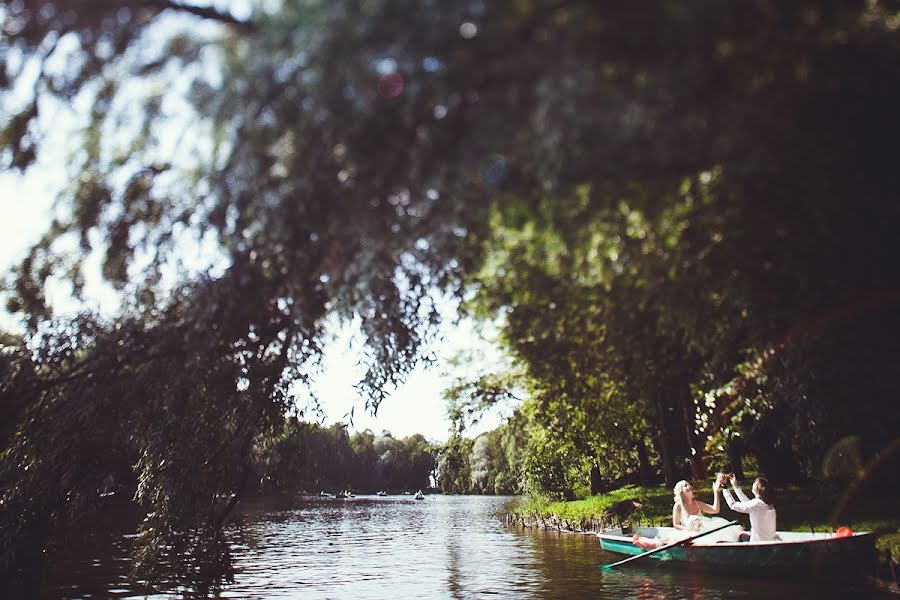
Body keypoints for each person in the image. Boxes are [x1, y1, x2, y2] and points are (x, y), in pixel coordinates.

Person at [670, 476, 742, 544]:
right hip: (688, 531)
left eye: (688, 485)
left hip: (703, 529)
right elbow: (676, 524)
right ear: (681, 491)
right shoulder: (678, 506)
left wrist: (716, 492)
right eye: (685, 486)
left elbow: (715, 510)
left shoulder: (697, 503)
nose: (688, 487)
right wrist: (688, 529)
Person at [722, 474, 777, 542]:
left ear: (758, 488)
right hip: (769, 542)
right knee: (742, 536)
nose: (752, 484)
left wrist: (724, 487)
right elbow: (747, 503)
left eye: (754, 483)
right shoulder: (767, 505)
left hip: (758, 544)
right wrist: (735, 486)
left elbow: (733, 505)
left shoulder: (757, 504)